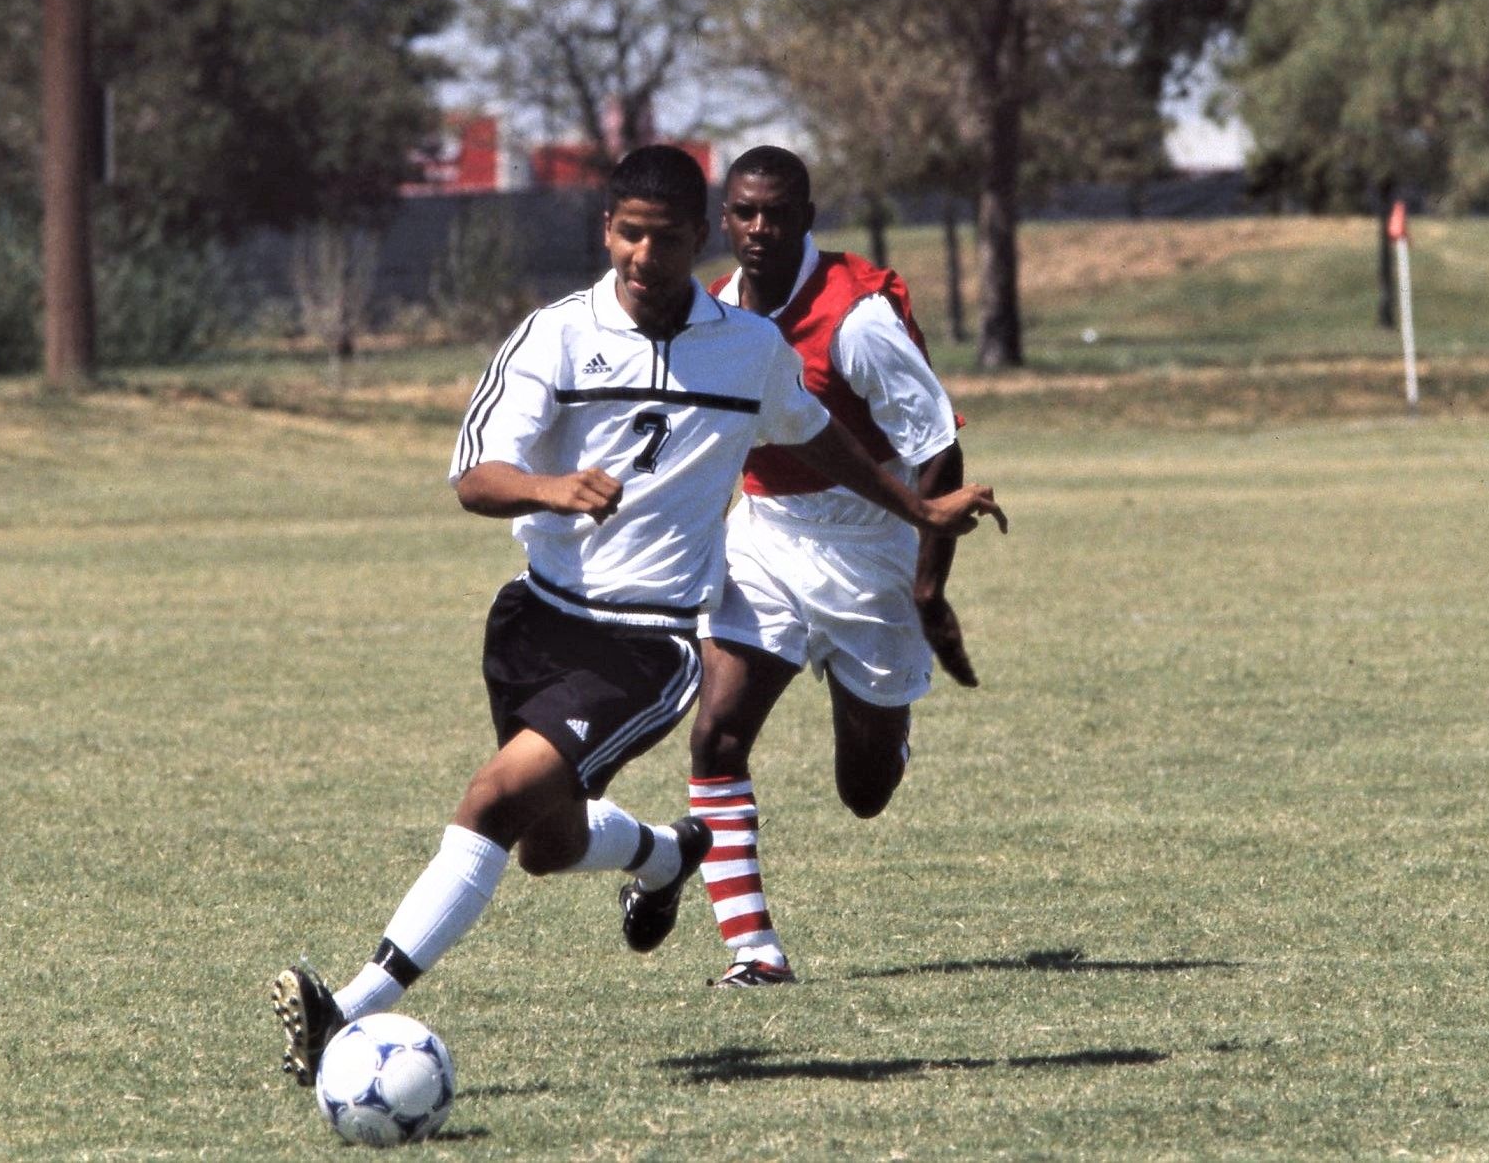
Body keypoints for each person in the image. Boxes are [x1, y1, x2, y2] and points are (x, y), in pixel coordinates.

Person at [270, 145, 1006, 1087]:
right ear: (605, 231)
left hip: (648, 644)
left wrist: (921, 513)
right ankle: (668, 854)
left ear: (694, 240)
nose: (642, 256)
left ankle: (350, 1006)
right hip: (536, 620)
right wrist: (553, 487)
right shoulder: (554, 335)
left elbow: (821, 440)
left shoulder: (748, 347)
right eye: (626, 233)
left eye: (663, 238)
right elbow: (473, 478)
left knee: (494, 796)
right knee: (546, 843)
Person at [687, 146, 991, 988]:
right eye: (744, 212)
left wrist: (929, 590)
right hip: (768, 537)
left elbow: (940, 451)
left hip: (872, 546)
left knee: (863, 794)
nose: (759, 228)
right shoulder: (714, 309)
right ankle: (756, 954)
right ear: (725, 217)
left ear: (807, 213)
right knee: (716, 734)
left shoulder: (857, 319)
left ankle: (888, 730)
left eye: (777, 212)